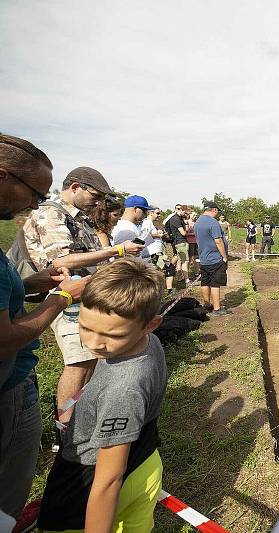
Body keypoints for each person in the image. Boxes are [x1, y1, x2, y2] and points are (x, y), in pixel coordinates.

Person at [37, 258, 168, 532]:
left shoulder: (122, 390)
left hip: (90, 480)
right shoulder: (147, 342)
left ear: (151, 324)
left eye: (112, 335)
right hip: (145, 463)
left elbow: (108, 480)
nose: (94, 343)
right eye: (86, 327)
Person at [0, 134, 90, 520]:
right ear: (4, 177)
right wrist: (63, 297)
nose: (36, 204)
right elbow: (3, 339)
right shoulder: (53, 218)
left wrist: (32, 284)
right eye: (35, 192)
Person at [18, 166, 144, 437]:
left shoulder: (80, 218)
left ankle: (81, 420)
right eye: (95, 195)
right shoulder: (51, 214)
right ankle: (65, 430)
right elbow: (61, 261)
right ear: (75, 187)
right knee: (77, 362)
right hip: (67, 298)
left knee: (90, 359)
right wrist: (117, 250)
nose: (98, 203)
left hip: (84, 297)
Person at [194, 202, 230, 316]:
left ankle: (207, 305)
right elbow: (218, 241)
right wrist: (224, 256)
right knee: (215, 283)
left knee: (205, 281)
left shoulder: (198, 222)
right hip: (215, 258)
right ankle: (217, 309)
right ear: (214, 210)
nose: (217, 213)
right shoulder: (213, 222)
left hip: (203, 258)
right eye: (217, 211)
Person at [111, 195, 156, 262]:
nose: (146, 214)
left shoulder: (129, 226)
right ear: (136, 209)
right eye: (144, 211)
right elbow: (125, 258)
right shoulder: (125, 229)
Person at [142, 208, 174, 293]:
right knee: (168, 268)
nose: (159, 215)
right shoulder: (147, 222)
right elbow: (145, 235)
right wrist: (159, 234)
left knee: (163, 269)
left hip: (156, 251)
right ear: (151, 213)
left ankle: (165, 290)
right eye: (158, 213)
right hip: (154, 251)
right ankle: (163, 291)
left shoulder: (151, 223)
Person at [165, 205, 189, 280]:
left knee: (180, 261)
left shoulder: (180, 218)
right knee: (185, 262)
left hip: (181, 242)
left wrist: (186, 222)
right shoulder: (175, 219)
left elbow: (186, 230)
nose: (186, 214)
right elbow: (184, 233)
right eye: (185, 212)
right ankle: (187, 281)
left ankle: (179, 278)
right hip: (180, 242)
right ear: (180, 210)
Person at [186, 211, 198, 276]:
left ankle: (196, 272)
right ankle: (187, 273)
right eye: (193, 215)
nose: (195, 216)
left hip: (196, 242)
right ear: (190, 215)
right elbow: (185, 232)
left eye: (196, 215)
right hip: (189, 242)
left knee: (197, 257)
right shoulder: (187, 222)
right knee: (190, 258)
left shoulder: (197, 223)